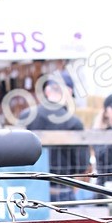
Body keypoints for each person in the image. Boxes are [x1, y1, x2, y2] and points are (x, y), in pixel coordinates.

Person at [25, 72, 90, 202]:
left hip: (31, 189)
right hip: (62, 190)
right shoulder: (74, 123)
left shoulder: (26, 116)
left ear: (47, 91)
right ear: (69, 91)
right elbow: (82, 165)